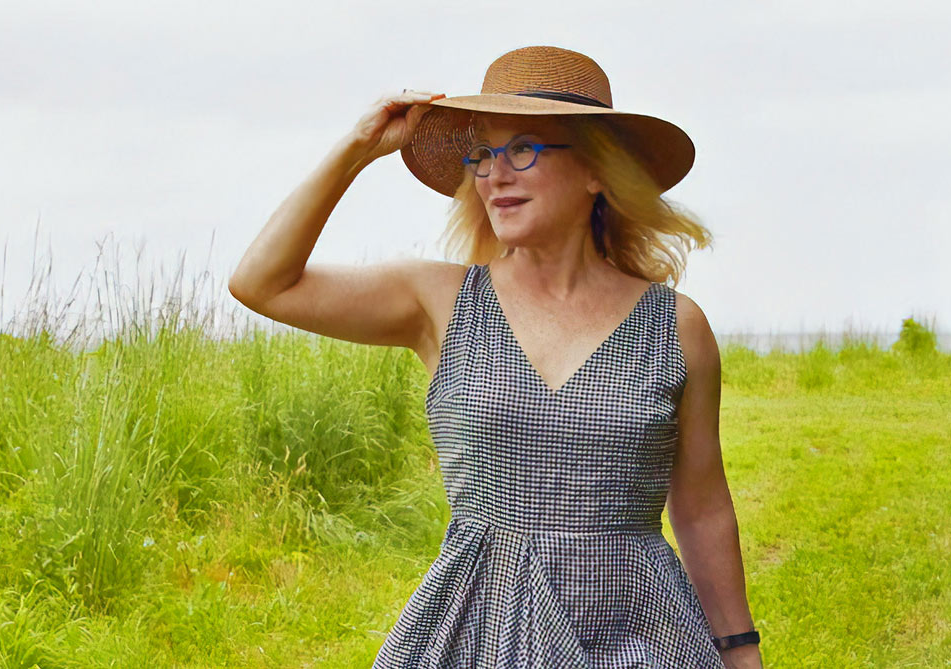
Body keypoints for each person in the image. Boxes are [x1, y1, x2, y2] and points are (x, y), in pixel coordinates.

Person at [227, 45, 763, 669]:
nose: (493, 175)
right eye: (482, 153)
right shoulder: (439, 301)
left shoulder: (676, 326)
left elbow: (700, 507)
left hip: (637, 629)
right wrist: (356, 149)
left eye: (523, 149)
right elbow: (262, 283)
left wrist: (739, 650)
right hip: (478, 629)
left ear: (596, 172)